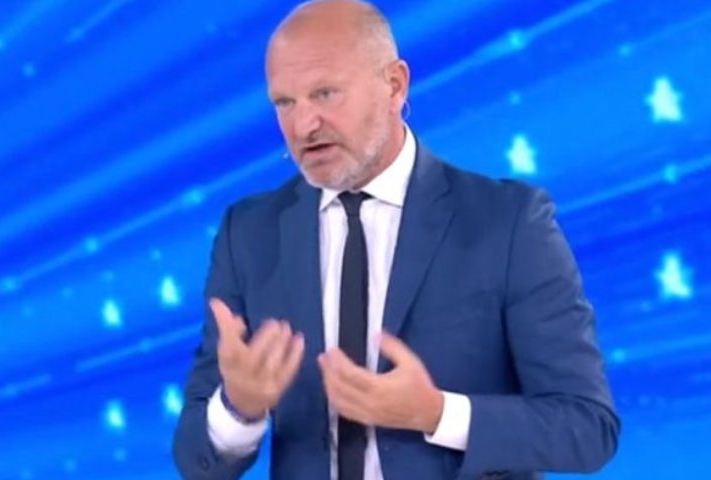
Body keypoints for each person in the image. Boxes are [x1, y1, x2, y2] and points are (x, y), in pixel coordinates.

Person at [172, 1, 620, 479]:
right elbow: (196, 460)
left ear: (395, 84)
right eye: (285, 103)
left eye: (325, 93)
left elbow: (588, 428)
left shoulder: (508, 222)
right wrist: (238, 408)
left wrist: (436, 414)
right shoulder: (249, 233)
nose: (303, 126)